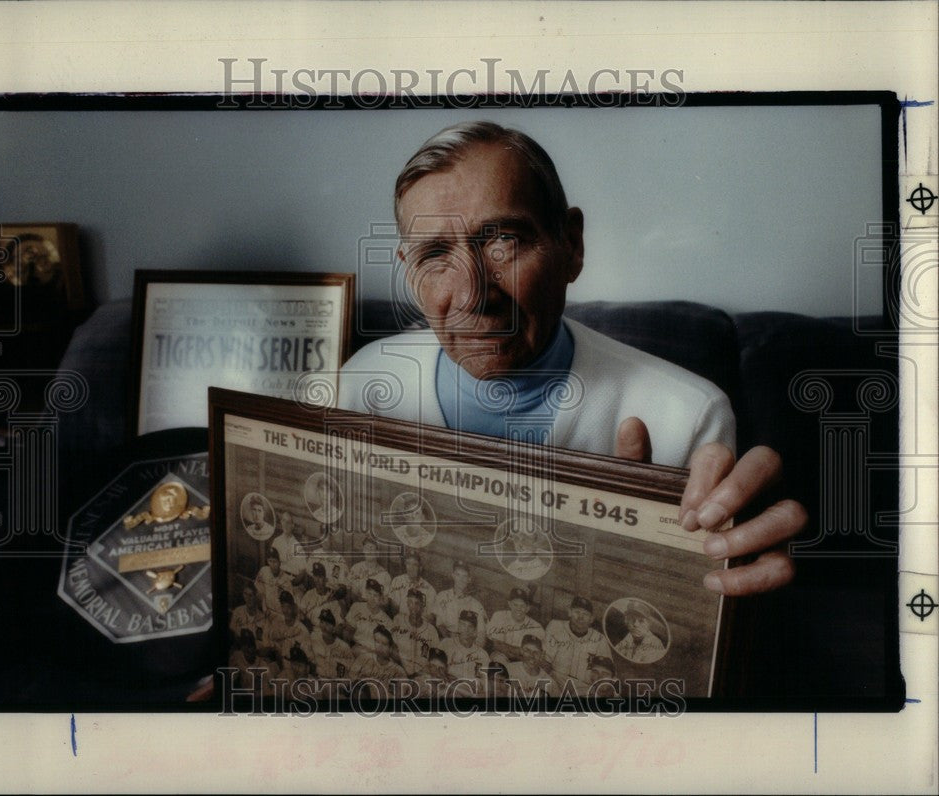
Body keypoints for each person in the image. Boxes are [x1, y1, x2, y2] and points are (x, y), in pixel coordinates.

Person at [337, 121, 803, 597]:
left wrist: (739, 590)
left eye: (504, 241)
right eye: (435, 254)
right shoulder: (360, 385)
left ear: (571, 246)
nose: (473, 295)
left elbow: (697, 609)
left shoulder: (686, 417)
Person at [544, 595, 613, 691]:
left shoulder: (600, 639)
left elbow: (608, 673)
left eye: (585, 614)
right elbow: (545, 661)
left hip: (584, 687)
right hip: (556, 680)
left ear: (591, 619)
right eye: (577, 612)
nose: (580, 617)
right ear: (570, 612)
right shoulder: (555, 626)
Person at [486, 587, 545, 664]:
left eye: (522, 606)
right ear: (509, 604)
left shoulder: (537, 627)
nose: (518, 609)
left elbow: (538, 655)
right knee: (499, 659)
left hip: (524, 662)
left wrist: (511, 650)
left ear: (528, 608)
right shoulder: (499, 616)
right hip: (501, 656)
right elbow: (497, 645)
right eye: (515, 605)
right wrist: (521, 651)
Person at [390, 588, 440, 677]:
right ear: (407, 604)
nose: (413, 607)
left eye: (417, 603)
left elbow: (435, 659)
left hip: (420, 674)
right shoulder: (398, 620)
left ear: (422, 606)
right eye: (410, 602)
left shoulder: (431, 630)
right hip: (398, 667)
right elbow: (391, 647)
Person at [433, 560, 487, 643]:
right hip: (446, 640)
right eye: (458, 575)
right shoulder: (442, 596)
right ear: (453, 575)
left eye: (464, 576)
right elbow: (440, 625)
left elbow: (481, 634)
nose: (461, 579)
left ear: (469, 579)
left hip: (467, 643)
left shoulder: (476, 605)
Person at [341, 578, 392, 656]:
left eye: (375, 595)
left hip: (375, 655)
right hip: (356, 650)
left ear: (380, 597)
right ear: (365, 594)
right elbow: (347, 631)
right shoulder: (357, 607)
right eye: (369, 594)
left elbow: (387, 647)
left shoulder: (387, 620)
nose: (372, 599)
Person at [613, 599, 667, 664]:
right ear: (626, 621)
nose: (635, 624)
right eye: (632, 619)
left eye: (641, 621)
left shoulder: (655, 644)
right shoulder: (629, 637)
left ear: (648, 624)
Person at [387, 551, 437, 620]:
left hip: (420, 625)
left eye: (415, 565)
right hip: (401, 622)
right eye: (408, 564)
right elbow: (394, 609)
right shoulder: (397, 581)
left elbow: (431, 616)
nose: (411, 568)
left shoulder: (430, 589)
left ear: (420, 568)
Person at [309, 608, 356, 683]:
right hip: (317, 680)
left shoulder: (343, 646)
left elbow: (352, 668)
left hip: (335, 682)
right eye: (322, 622)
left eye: (327, 624)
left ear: (334, 627)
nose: (324, 627)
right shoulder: (314, 638)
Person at [254, 547, 295, 617]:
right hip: (265, 609)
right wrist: (264, 608)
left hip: (279, 614)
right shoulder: (264, 571)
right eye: (270, 561)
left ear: (280, 563)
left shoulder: (286, 579)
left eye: (275, 562)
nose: (272, 565)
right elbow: (260, 591)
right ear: (267, 561)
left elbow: (289, 603)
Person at [271, 510, 305, 580]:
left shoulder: (298, 546)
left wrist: (292, 583)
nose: (285, 525)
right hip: (277, 577)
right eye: (284, 521)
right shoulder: (276, 541)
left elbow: (302, 571)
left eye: (288, 522)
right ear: (281, 522)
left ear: (293, 525)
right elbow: (271, 563)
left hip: (291, 579)